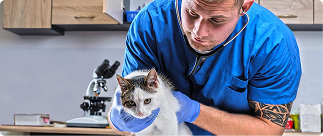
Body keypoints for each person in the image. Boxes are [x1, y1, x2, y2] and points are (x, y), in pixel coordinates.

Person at [108, 0, 302, 135]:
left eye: (216, 20)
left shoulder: (273, 42)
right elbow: (128, 124)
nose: (198, 32)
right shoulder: (149, 24)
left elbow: (269, 130)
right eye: (192, 13)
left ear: (244, 6)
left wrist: (194, 111)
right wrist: (119, 120)